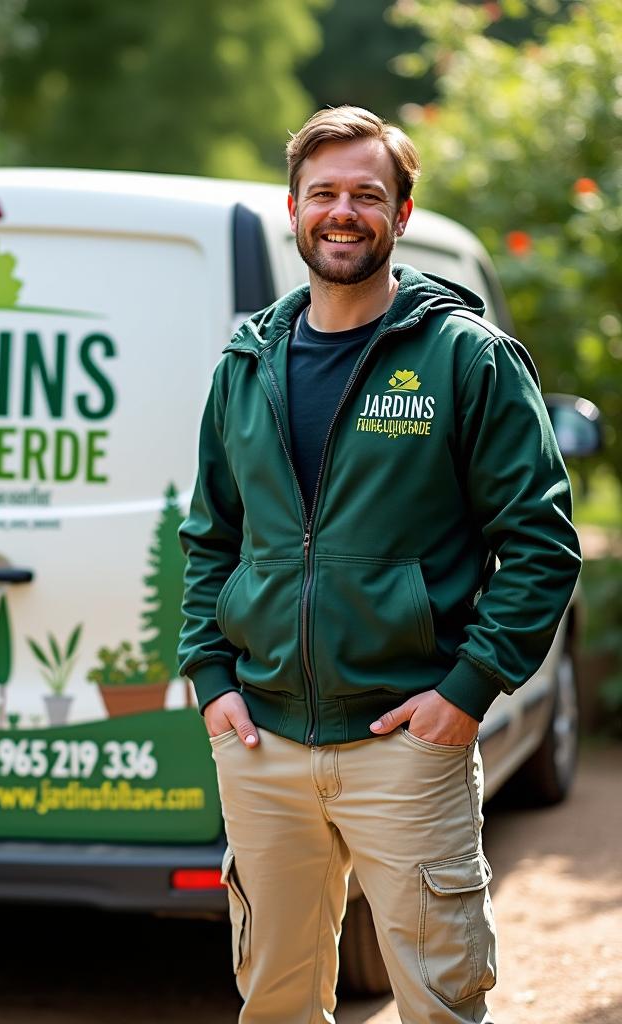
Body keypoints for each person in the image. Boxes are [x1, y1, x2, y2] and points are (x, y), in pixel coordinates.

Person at [177, 106, 581, 1024]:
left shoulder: (464, 358)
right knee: (275, 1001)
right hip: (262, 741)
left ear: (401, 214)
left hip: (406, 744)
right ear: (294, 208)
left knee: (438, 1002)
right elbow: (211, 537)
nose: (343, 211)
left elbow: (542, 541)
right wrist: (212, 678)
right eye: (324, 193)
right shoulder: (248, 365)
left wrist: (466, 692)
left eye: (367, 193)